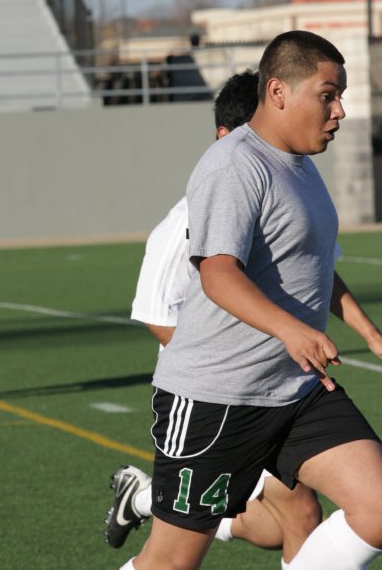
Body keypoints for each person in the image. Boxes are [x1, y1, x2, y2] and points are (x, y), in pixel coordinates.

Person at [120, 30, 382, 570]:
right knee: (171, 560)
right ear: (279, 91)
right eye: (328, 95)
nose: (340, 112)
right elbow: (218, 274)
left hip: (296, 392)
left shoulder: (302, 168)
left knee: (378, 505)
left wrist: (369, 332)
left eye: (341, 97)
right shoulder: (234, 165)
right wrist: (292, 330)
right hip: (217, 399)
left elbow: (311, 267)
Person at [106, 72, 322, 566]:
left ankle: (139, 498)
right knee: (294, 515)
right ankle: (143, 499)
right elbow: (156, 315)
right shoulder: (179, 225)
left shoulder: (282, 194)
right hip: (212, 402)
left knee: (278, 527)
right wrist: (233, 357)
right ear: (228, 140)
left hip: (277, 393)